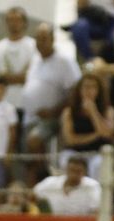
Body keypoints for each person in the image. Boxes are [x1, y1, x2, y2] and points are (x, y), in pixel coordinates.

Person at [23, 23, 83, 160]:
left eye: (44, 38)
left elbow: (75, 91)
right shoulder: (35, 60)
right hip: (30, 118)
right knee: (26, 158)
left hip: (53, 118)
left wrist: (53, 111)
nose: (40, 43)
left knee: (34, 141)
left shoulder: (65, 61)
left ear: (52, 39)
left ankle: (43, 175)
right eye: (37, 39)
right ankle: (35, 180)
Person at [0, 6, 38, 117]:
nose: (14, 24)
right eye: (10, 20)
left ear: (25, 23)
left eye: (17, 20)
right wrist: (20, 77)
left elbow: (35, 76)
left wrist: (7, 77)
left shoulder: (35, 47)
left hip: (27, 105)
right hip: (2, 107)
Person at [59, 72, 114, 175]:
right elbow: (70, 140)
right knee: (65, 160)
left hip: (97, 153)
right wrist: (95, 135)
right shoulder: (69, 112)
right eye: (86, 87)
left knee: (98, 165)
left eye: (93, 87)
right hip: (74, 153)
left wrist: (93, 112)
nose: (89, 91)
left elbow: (106, 134)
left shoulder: (107, 111)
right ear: (79, 90)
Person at [33, 155, 103, 216]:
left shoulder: (92, 186)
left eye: (78, 171)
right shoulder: (50, 182)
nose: (74, 174)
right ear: (66, 169)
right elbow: (32, 195)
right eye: (72, 170)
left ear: (85, 172)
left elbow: (96, 212)